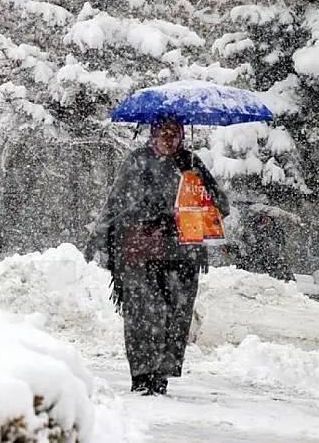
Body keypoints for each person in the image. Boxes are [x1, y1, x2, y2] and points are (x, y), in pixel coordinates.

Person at [84, 115, 230, 396]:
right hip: (140, 253)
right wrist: (103, 235)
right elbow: (116, 202)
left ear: (182, 136)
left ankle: (160, 377)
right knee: (142, 314)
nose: (169, 138)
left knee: (174, 317)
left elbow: (220, 203)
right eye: (164, 132)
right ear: (153, 133)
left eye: (175, 133)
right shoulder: (137, 161)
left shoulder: (190, 163)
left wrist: (192, 209)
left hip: (182, 256)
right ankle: (141, 377)